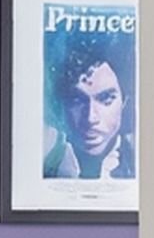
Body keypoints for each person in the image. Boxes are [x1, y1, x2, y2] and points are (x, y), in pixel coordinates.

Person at [45, 34, 133, 179]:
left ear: (124, 103)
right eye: (76, 100)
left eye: (106, 99)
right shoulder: (44, 162)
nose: (91, 118)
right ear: (61, 104)